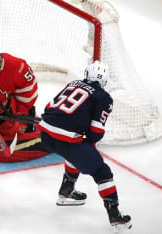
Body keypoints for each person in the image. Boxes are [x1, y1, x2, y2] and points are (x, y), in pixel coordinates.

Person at [36, 61, 132, 232]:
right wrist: (87, 138)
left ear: (87, 74)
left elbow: (49, 107)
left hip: (45, 134)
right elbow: (96, 132)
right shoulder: (104, 97)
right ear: (105, 80)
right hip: (66, 140)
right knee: (102, 171)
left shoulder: (72, 83)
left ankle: (66, 191)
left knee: (75, 152)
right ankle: (115, 215)